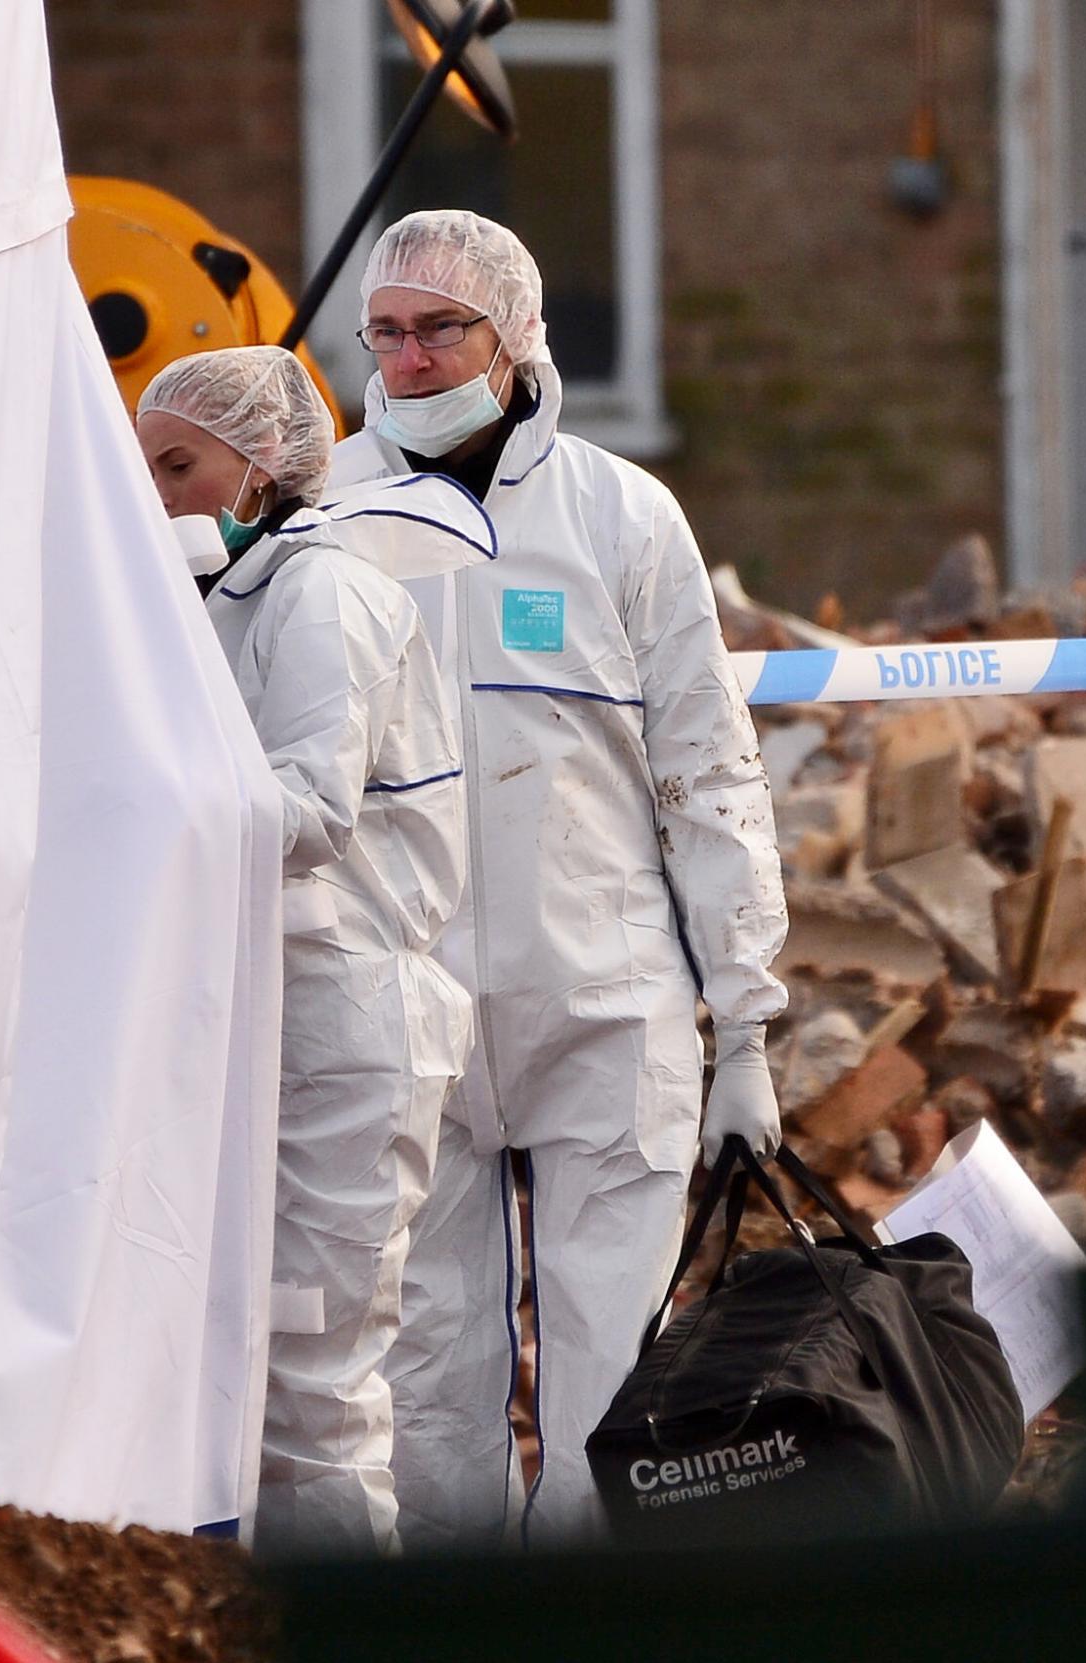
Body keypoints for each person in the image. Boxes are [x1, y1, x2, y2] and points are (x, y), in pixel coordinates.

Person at [326, 210, 790, 1549]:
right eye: (388, 331)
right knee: (424, 1385)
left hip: (602, 999)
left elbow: (706, 773)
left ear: (515, 335)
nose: (410, 359)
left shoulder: (617, 513)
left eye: (442, 329)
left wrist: (745, 1025)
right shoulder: (326, 515)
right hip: (405, 1010)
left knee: (609, 1381)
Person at [136, 345, 491, 1553]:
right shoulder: (222, 602)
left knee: (314, 1393)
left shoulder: (322, 594)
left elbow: (308, 808)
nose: (157, 493)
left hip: (348, 1033)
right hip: (269, 1025)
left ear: (265, 462)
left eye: (179, 463)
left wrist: (129, 811)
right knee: (243, 1382)